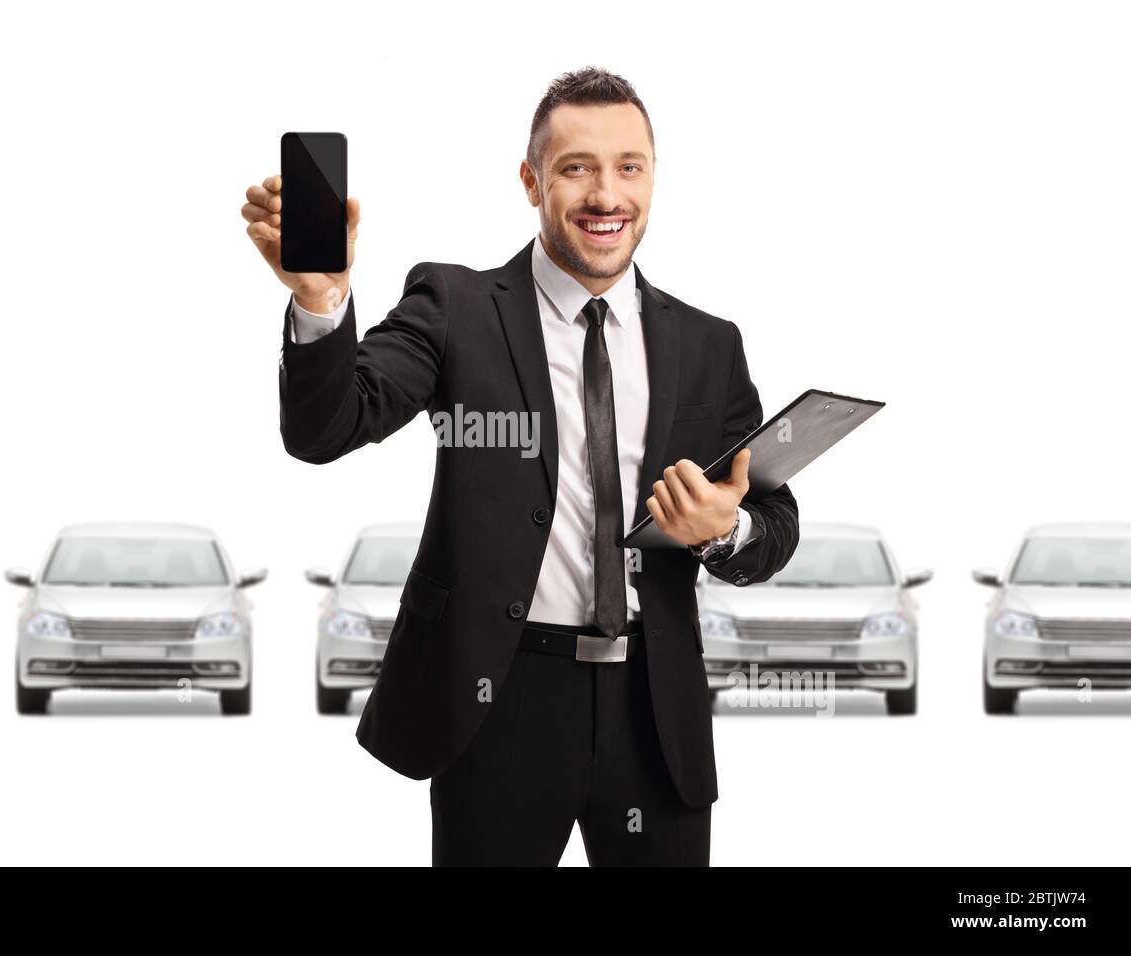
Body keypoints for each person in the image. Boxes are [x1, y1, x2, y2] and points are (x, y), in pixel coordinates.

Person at [243, 67, 799, 865]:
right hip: (498, 700)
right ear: (532, 181)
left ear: (653, 178)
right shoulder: (456, 308)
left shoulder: (711, 344)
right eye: (576, 167)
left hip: (655, 710)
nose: (606, 194)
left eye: (629, 167)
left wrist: (725, 529)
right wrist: (321, 301)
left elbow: (773, 528)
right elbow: (327, 428)